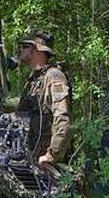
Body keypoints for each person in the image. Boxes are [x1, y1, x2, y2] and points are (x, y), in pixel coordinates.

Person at [16, 30, 72, 166]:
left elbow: (63, 118)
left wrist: (52, 155)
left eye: (25, 46)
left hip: (45, 162)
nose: (21, 50)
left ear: (38, 50)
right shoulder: (33, 80)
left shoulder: (53, 77)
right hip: (33, 156)